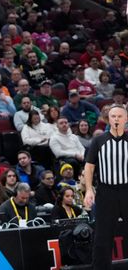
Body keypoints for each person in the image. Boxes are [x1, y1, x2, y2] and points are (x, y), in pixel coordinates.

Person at [83, 104, 128, 270]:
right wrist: (89, 189)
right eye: (113, 116)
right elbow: (89, 166)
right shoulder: (99, 140)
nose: (116, 119)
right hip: (106, 192)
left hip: (126, 190)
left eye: (120, 116)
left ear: (126, 119)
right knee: (102, 237)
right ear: (108, 119)